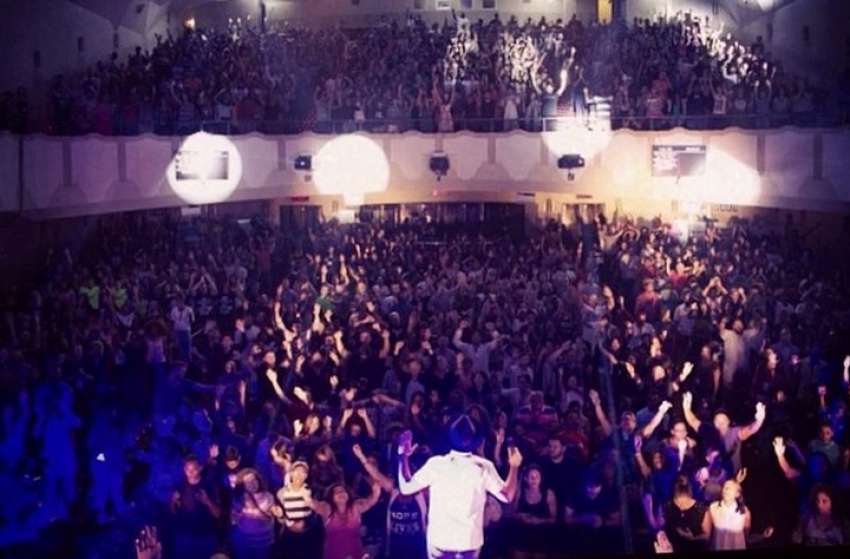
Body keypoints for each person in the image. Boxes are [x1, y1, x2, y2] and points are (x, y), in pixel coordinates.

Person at [398, 414, 522, 559]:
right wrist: (514, 467)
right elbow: (507, 496)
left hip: (440, 538)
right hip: (468, 541)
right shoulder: (483, 466)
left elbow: (405, 488)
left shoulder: (436, 464)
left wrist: (403, 456)